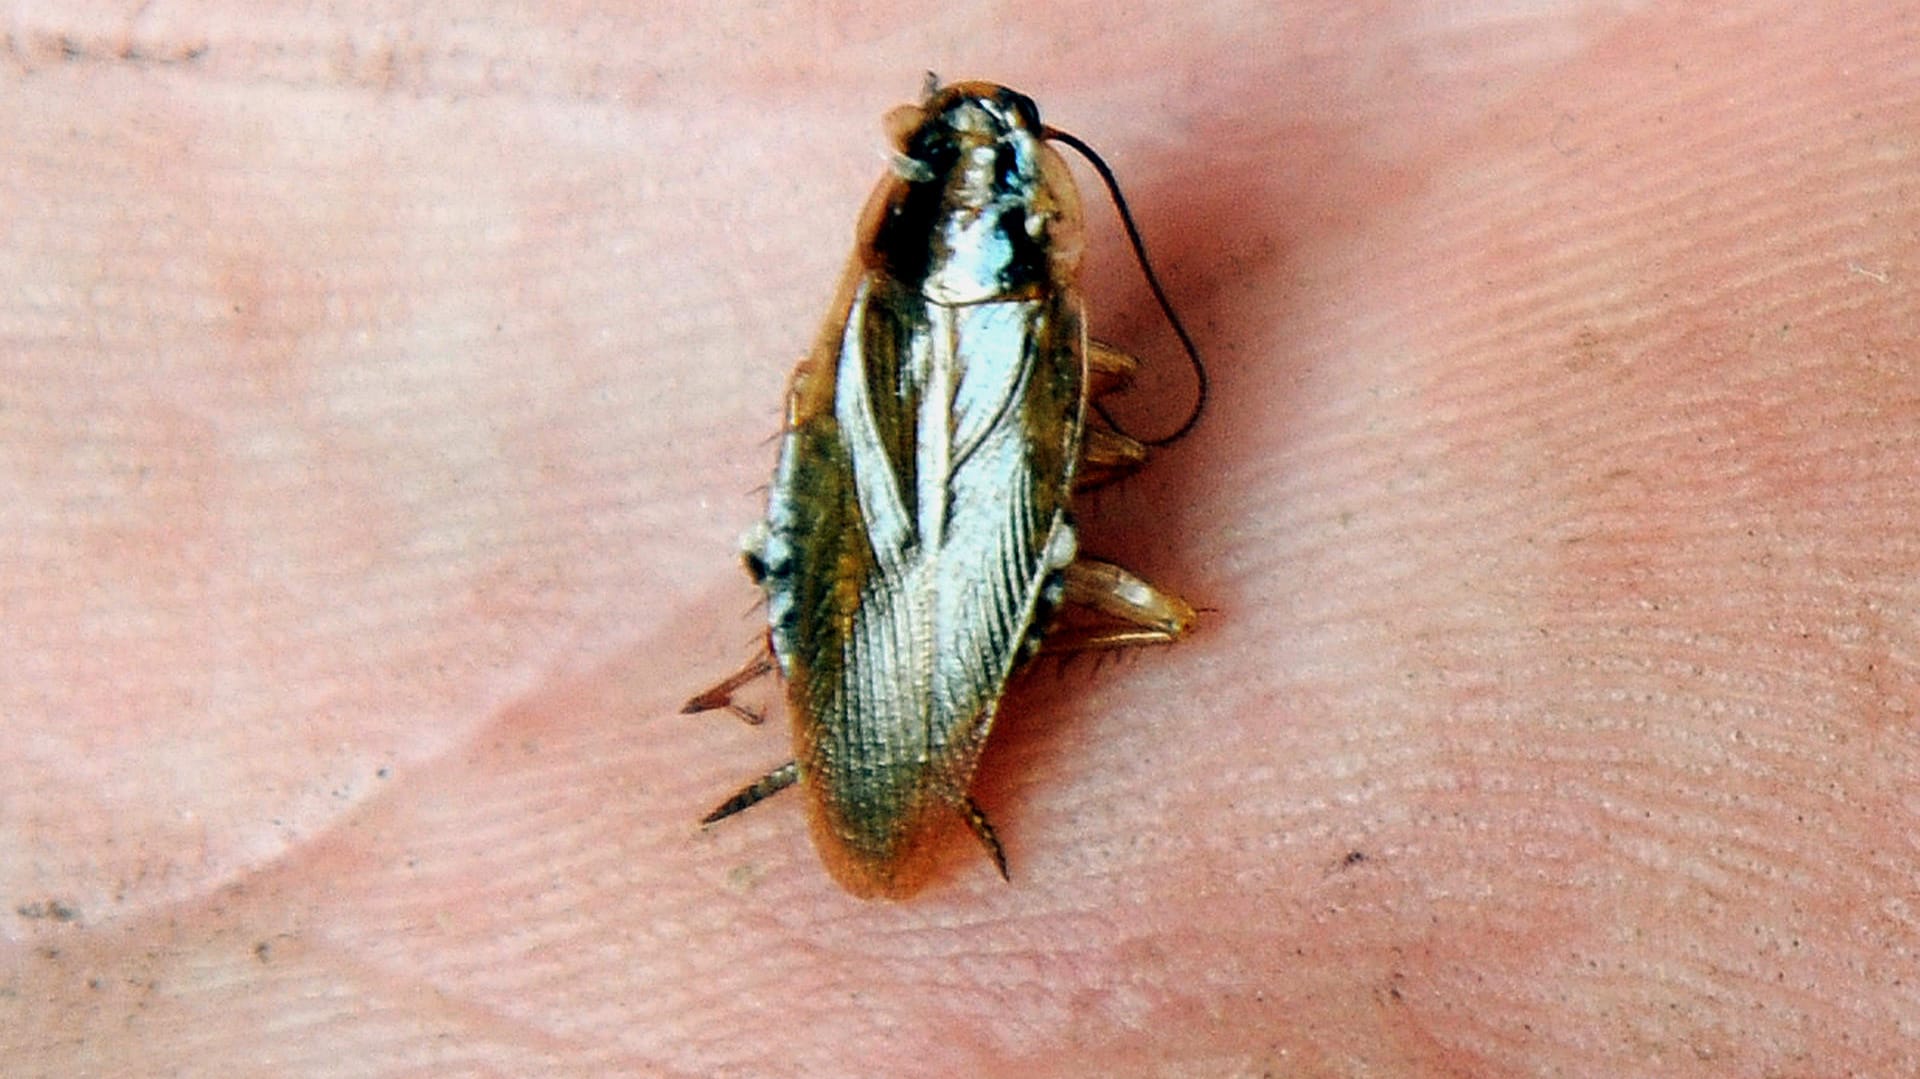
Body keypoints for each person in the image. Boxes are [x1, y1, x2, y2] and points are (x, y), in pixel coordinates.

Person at [7, 6, 1915, 1074]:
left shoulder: (930, 282)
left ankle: (872, 741)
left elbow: (857, 432)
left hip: (939, 514)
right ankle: (868, 744)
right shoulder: (967, 285)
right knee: (986, 546)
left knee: (1044, 566)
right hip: (928, 507)